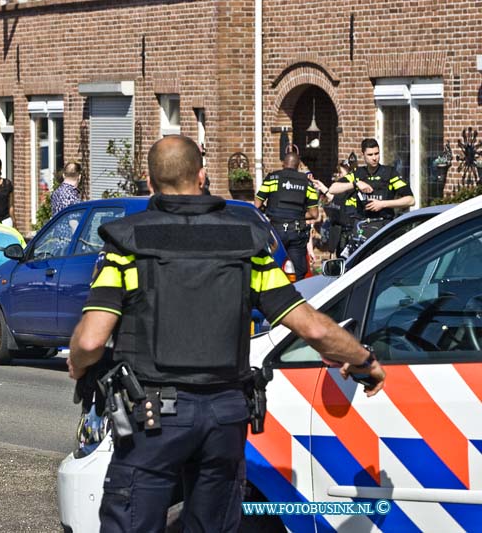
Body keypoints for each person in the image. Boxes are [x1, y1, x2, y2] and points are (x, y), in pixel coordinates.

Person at [67, 135, 386, 533]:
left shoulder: (128, 245)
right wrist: (364, 360)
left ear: (150, 184)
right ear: (201, 178)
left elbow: (90, 341)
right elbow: (311, 325)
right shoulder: (244, 244)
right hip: (225, 417)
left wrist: (78, 368)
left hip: (152, 417)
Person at [328, 138, 414, 249]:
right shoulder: (357, 173)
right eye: (370, 154)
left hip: (384, 226)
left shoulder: (389, 173)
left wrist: (383, 204)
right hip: (362, 226)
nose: (374, 158)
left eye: (377, 153)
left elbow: (410, 200)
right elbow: (332, 189)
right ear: (363, 154)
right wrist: (355, 184)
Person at [254, 152, 319, 280]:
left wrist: (268, 210)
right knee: (297, 272)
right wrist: (299, 215)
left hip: (275, 232)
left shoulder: (272, 178)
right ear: (298, 165)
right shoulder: (307, 183)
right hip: (296, 232)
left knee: (272, 267)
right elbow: (314, 214)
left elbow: (256, 205)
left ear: (283, 164)